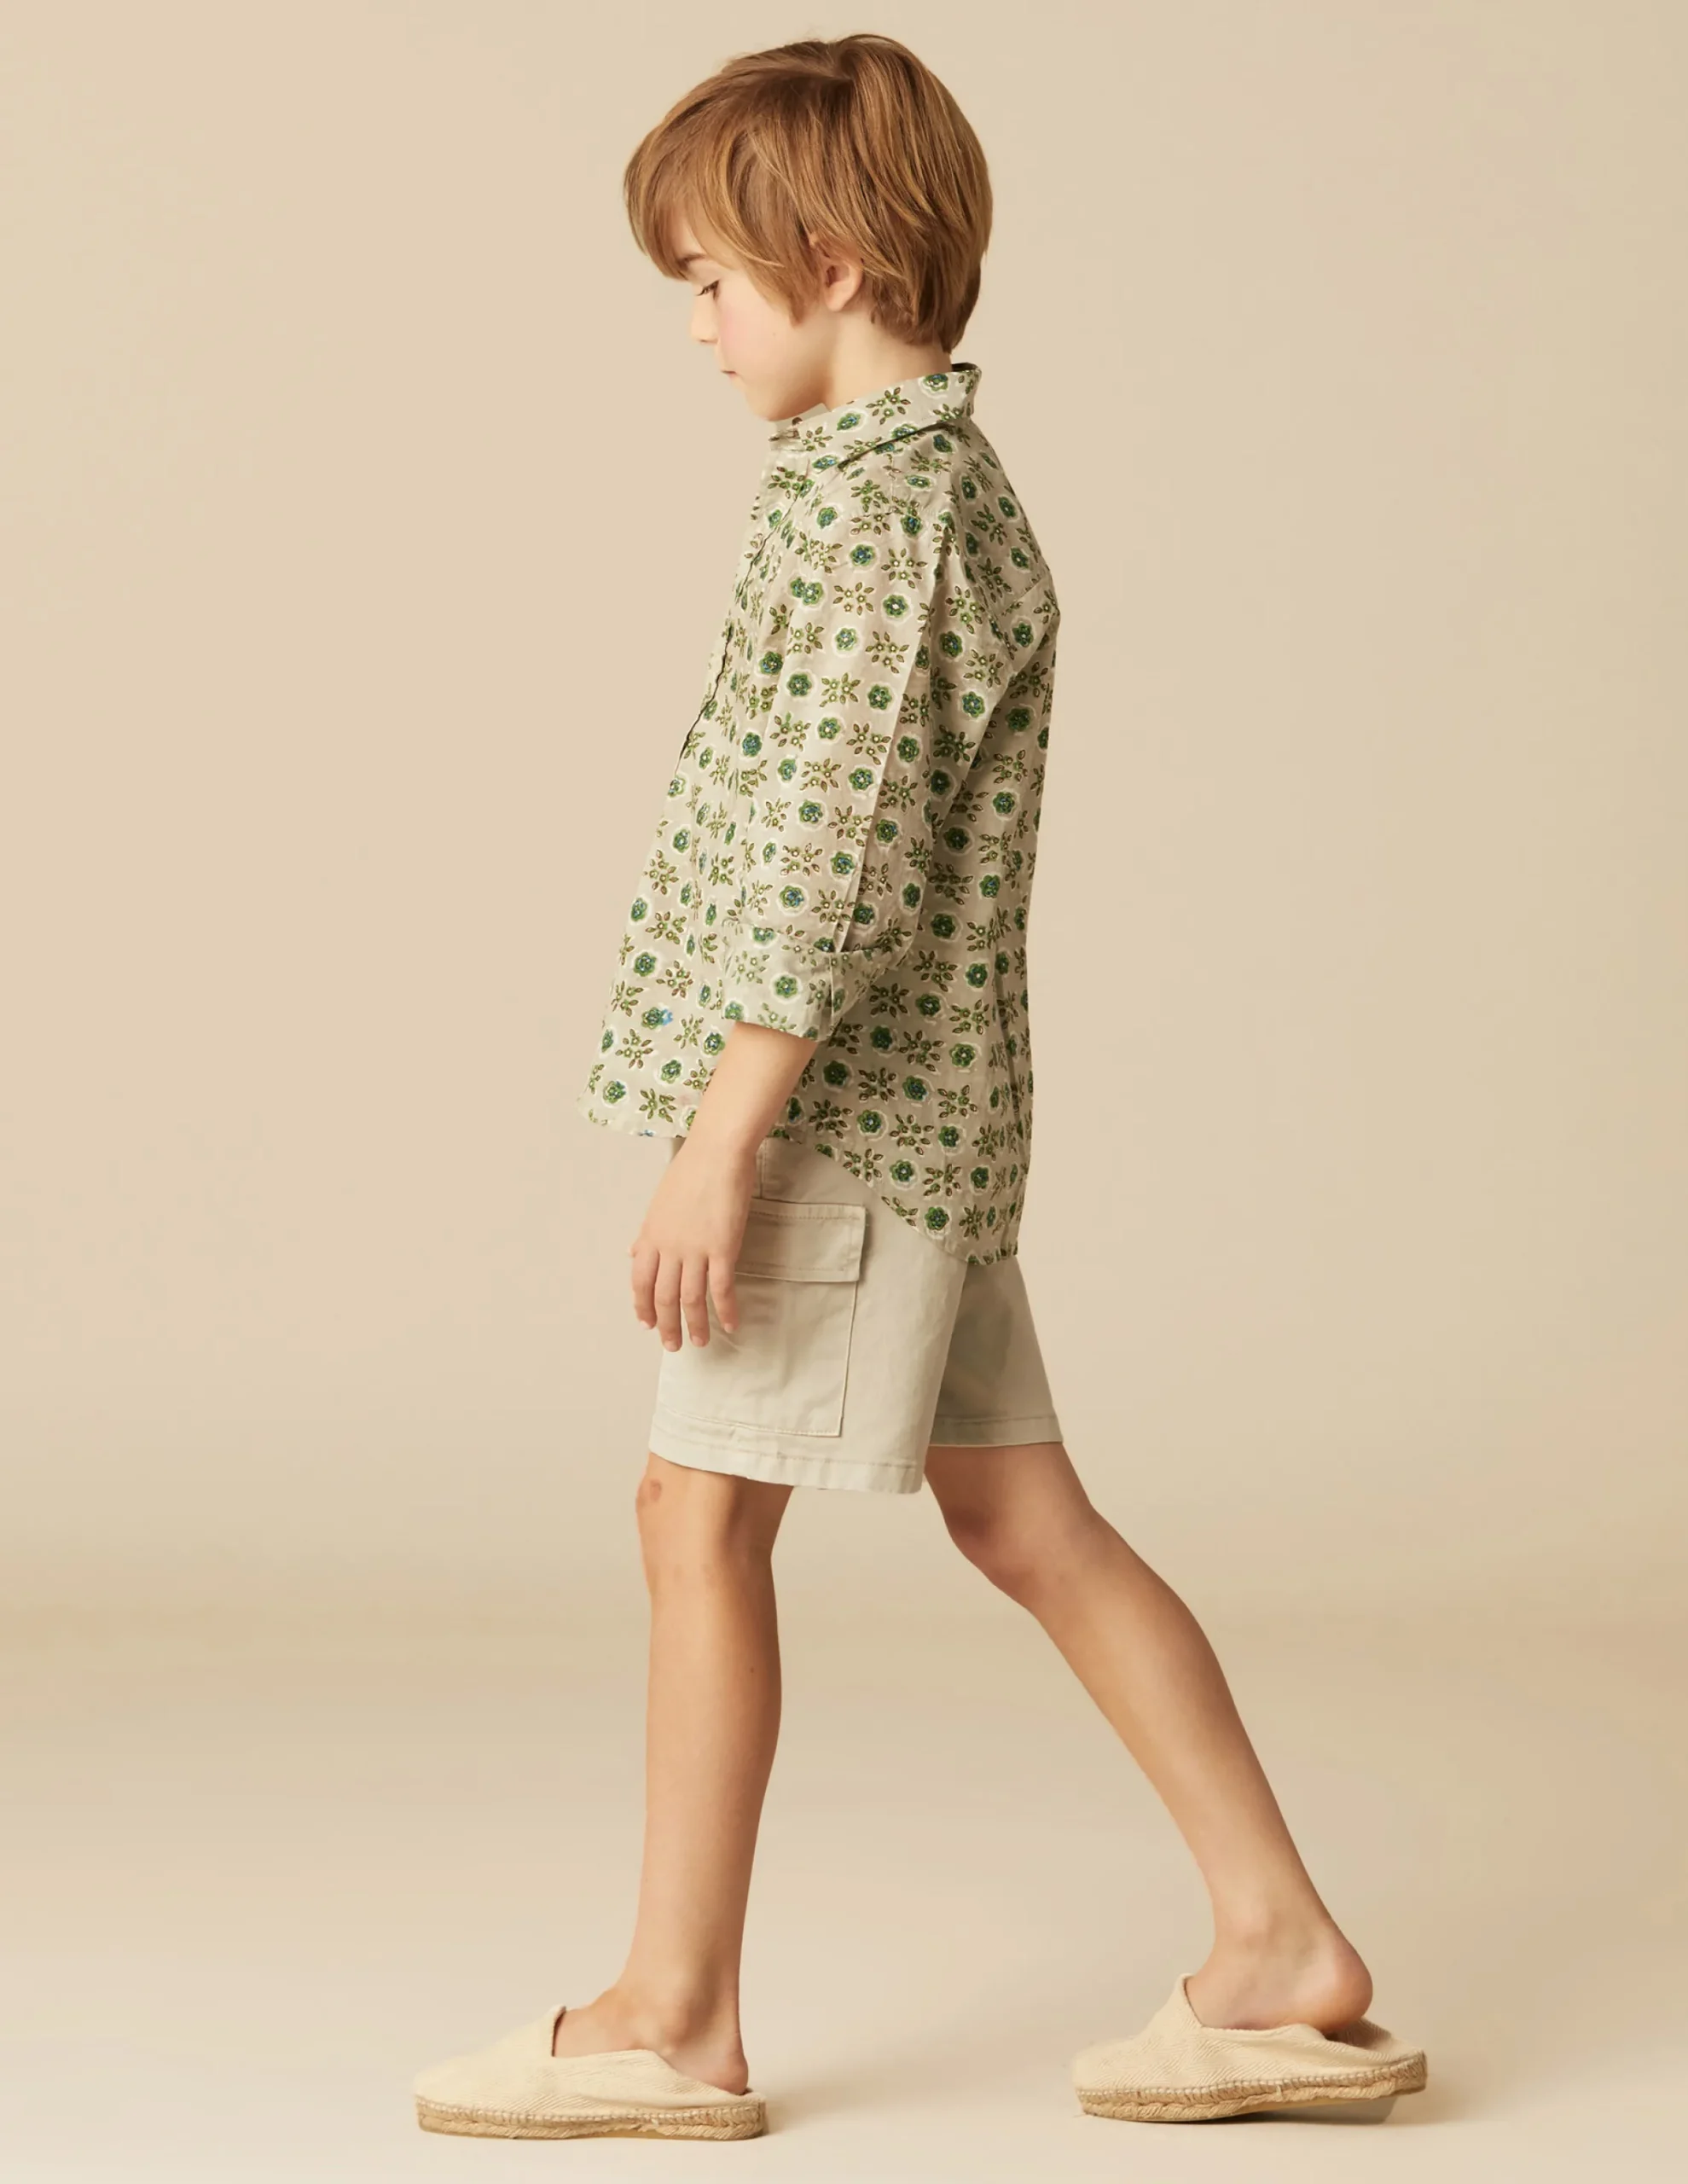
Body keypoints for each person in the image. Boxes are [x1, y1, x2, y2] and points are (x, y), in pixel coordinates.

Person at [413, 31, 1427, 2143]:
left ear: (836, 262)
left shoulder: (890, 517)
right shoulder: (885, 488)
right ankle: (1275, 1943)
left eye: (709, 279)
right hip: (912, 1123)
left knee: (695, 1514)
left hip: (839, 1123)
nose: (693, 324)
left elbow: (833, 851)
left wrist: (723, 1138)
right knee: (1020, 1514)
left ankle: (670, 2014)